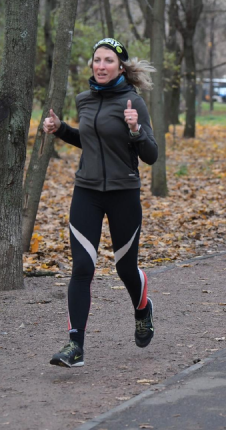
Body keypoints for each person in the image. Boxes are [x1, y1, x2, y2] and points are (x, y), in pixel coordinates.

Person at [43, 38, 158, 367]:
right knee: (82, 267)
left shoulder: (133, 101)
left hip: (123, 194)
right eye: (97, 59)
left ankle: (142, 309)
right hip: (87, 192)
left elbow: (151, 155)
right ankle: (74, 346)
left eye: (108, 60)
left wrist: (135, 129)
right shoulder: (84, 100)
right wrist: (61, 129)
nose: (101, 65)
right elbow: (90, 141)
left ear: (120, 67)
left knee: (124, 268)